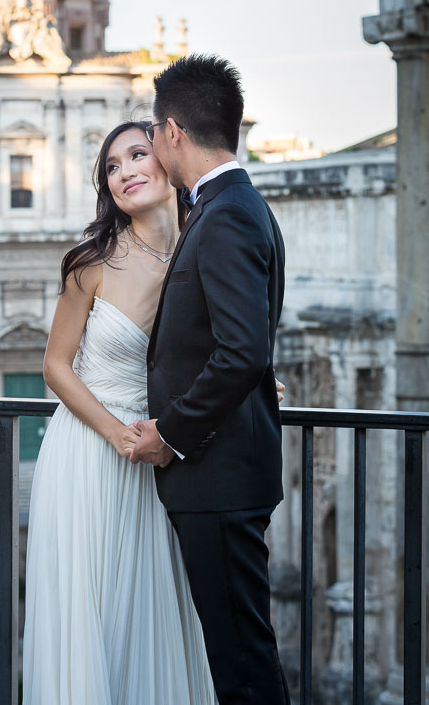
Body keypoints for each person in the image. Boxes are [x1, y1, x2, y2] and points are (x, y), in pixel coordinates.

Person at [22, 118, 285, 704]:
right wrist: (120, 436)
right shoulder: (90, 261)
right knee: (94, 618)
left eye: (137, 155)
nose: (125, 173)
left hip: (167, 458)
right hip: (94, 454)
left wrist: (259, 382)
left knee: (157, 612)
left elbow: (224, 349)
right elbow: (56, 367)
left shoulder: (205, 242)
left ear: (169, 156)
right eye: (112, 167)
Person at [131, 54, 290, 705]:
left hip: (217, 478)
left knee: (241, 665)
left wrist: (169, 432)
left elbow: (240, 351)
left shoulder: (223, 215)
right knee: (240, 656)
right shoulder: (232, 205)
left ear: (171, 131)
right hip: (225, 476)